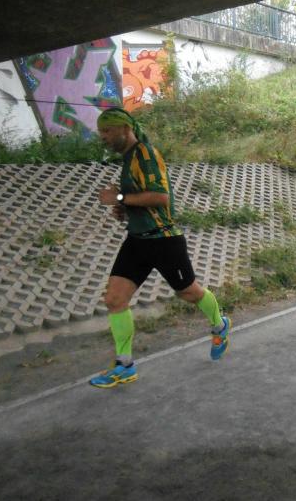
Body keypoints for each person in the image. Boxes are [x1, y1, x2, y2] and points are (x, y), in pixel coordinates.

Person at [90, 108, 230, 388]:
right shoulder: (128, 158)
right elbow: (140, 199)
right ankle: (125, 365)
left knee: (188, 292)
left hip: (164, 240)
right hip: (137, 240)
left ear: (125, 128)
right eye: (101, 131)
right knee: (115, 300)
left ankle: (219, 324)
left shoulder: (146, 154)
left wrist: (119, 197)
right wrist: (124, 209)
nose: (103, 136)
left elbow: (160, 197)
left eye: (107, 130)